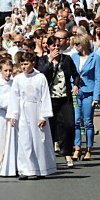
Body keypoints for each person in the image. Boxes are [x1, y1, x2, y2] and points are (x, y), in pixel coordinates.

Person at [10, 52, 56, 180]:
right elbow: (14, 97)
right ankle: (25, 169)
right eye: (22, 64)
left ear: (33, 63)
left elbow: (45, 96)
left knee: (38, 140)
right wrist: (13, 114)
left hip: (36, 109)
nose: (24, 66)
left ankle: (39, 168)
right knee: (24, 140)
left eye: (27, 64)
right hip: (23, 110)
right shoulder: (18, 78)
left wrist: (43, 116)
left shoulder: (40, 77)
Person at [38, 32, 80, 168]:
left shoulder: (66, 59)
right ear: (48, 47)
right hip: (49, 98)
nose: (56, 48)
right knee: (51, 127)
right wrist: (50, 61)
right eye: (53, 46)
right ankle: (49, 156)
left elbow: (75, 74)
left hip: (65, 97)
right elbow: (41, 75)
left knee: (69, 125)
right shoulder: (43, 60)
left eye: (58, 46)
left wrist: (76, 85)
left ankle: (67, 152)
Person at [72, 35, 100, 161]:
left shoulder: (95, 58)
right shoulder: (74, 57)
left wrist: (96, 96)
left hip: (89, 92)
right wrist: (73, 86)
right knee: (76, 120)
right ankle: (77, 147)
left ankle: (89, 148)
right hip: (77, 92)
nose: (76, 46)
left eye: (78, 44)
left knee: (88, 121)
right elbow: (72, 75)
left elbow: (98, 78)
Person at [0, 56, 18, 177]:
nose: (8, 73)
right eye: (5, 70)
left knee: (13, 140)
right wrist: (11, 100)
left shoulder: (14, 82)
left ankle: (13, 167)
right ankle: (0, 166)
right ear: (0, 70)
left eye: (10, 70)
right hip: (1, 117)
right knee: (0, 140)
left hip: (13, 117)